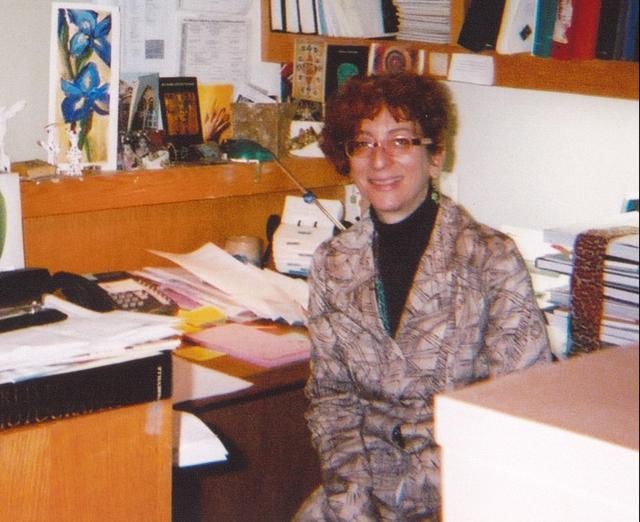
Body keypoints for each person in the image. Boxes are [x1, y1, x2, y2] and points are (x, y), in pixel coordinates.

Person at [294, 73, 552, 521]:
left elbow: (519, 409)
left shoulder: (490, 259)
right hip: (362, 493)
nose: (380, 161)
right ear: (347, 158)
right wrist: (351, 504)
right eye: (363, 143)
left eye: (400, 141)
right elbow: (331, 399)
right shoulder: (333, 262)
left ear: (435, 157)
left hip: (463, 495)